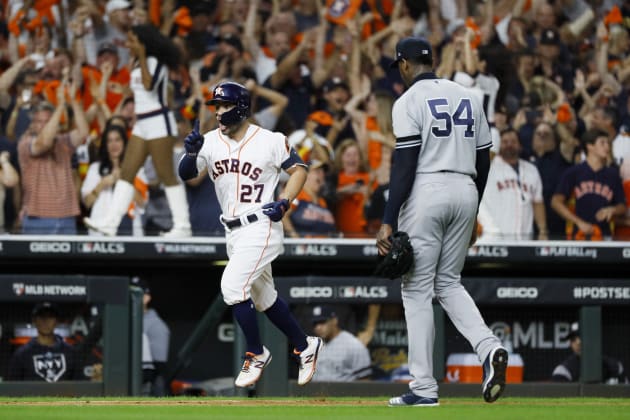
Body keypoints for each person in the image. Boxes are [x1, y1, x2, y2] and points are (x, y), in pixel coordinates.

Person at [376, 37, 507, 407]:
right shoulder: (468, 95)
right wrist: (474, 211)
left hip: (428, 187)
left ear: (404, 64)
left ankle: (423, 387)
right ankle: (488, 347)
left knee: (416, 289)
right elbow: (484, 160)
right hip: (466, 188)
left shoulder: (408, 101)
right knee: (448, 282)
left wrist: (388, 220)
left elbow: (404, 166)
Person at [178, 81, 322, 388]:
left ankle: (256, 352)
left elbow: (299, 169)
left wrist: (285, 201)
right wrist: (190, 154)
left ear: (241, 108)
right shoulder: (210, 141)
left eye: (224, 106)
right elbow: (187, 175)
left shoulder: (270, 140)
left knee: (232, 286)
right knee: (264, 298)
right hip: (233, 231)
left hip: (262, 225)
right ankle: (304, 344)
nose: (218, 112)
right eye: (216, 106)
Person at [84, 24, 191, 237]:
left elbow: (150, 85)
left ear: (143, 43)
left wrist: (142, 56)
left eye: (132, 40)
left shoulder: (156, 62)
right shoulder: (135, 63)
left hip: (159, 122)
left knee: (166, 174)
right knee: (127, 172)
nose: (128, 44)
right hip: (142, 123)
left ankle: (183, 226)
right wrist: (122, 90)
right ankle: (110, 224)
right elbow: (140, 91)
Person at [551, 128, 626, 240]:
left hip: (604, 235)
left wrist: (612, 209)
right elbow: (556, 202)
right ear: (589, 146)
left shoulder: (613, 175)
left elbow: (622, 206)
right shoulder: (573, 172)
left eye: (608, 143)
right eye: (602, 143)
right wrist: (578, 222)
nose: (607, 147)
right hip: (577, 234)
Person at [477, 128, 548, 240]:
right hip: (495, 238)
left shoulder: (531, 169)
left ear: (520, 145)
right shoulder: (488, 167)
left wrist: (543, 230)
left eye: (513, 141)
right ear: (499, 145)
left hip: (525, 239)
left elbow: (537, 201)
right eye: (505, 142)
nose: (509, 145)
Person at [7, 302, 81, 382]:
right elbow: (12, 389)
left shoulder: (71, 352)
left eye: (50, 317)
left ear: (57, 321)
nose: (46, 321)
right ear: (34, 321)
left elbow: (79, 385)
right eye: (42, 317)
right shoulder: (22, 354)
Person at [310, 305, 372, 382]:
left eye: (322, 322)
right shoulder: (315, 346)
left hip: (344, 393)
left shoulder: (353, 345)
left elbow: (365, 380)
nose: (318, 327)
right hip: (318, 393)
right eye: (315, 324)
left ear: (334, 321)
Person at [131, 276, 170, 396]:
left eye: (135, 294)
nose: (131, 298)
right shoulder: (119, 318)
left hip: (144, 384)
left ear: (146, 298)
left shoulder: (156, 325)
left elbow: (159, 367)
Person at [551, 323, 627, 384]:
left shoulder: (613, 366)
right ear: (570, 344)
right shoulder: (563, 370)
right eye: (573, 339)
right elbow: (561, 401)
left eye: (582, 337)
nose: (578, 342)